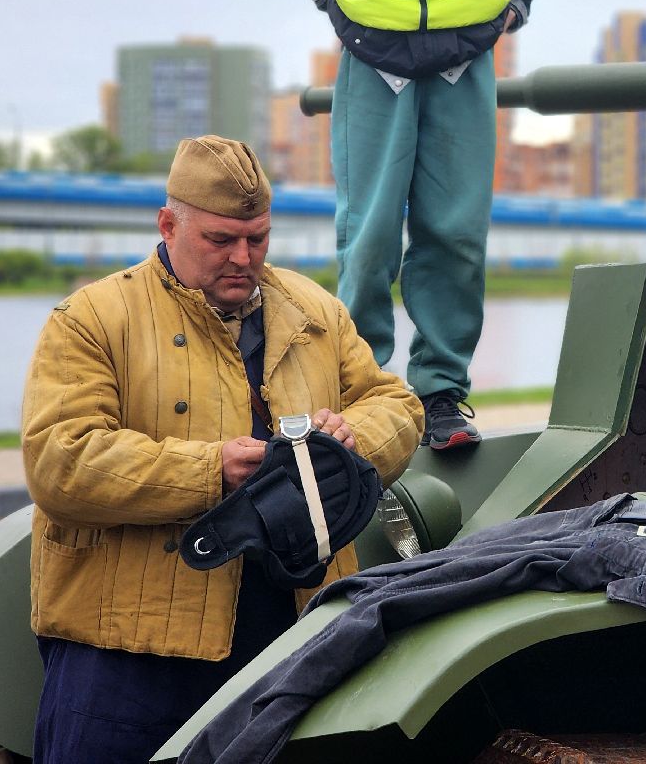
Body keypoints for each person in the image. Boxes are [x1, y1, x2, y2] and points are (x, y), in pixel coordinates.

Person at [21, 136, 423, 764]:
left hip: (292, 634)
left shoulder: (317, 311)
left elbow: (396, 405)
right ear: (168, 225)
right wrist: (214, 471)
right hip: (127, 653)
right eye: (219, 240)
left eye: (257, 239)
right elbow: (61, 462)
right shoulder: (91, 318)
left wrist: (350, 443)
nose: (243, 257)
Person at [288, 0, 550, 450]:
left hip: (467, 50)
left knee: (455, 232)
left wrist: (513, 3)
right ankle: (361, 385)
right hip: (374, 47)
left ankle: (441, 392)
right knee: (369, 233)